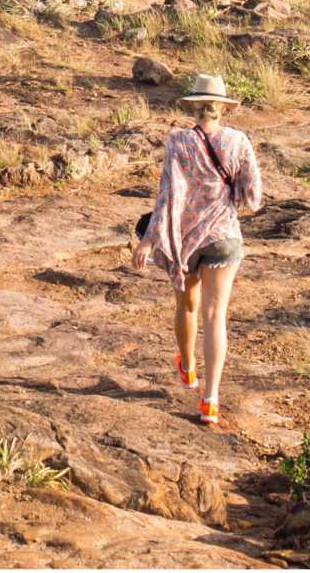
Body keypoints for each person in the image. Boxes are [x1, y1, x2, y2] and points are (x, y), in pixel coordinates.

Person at [132, 72, 263, 429]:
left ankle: (187, 367)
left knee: (186, 306)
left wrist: (148, 239)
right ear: (222, 107)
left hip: (183, 239)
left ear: (193, 107)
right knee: (215, 316)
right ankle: (210, 402)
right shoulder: (239, 141)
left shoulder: (178, 141)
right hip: (223, 235)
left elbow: (167, 193)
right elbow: (253, 199)